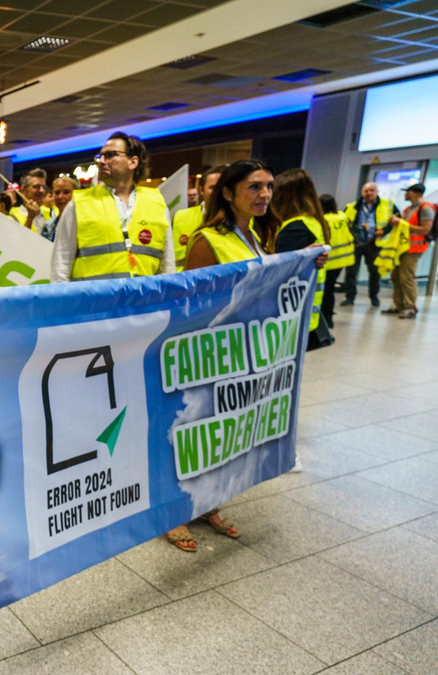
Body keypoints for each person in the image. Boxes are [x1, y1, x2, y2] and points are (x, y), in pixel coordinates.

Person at [167, 159, 281, 551]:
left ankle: (208, 503)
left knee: (223, 434)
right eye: (254, 187)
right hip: (209, 355)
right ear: (229, 193)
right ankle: (175, 513)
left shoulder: (256, 237)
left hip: (244, 354)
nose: (264, 194)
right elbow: (190, 307)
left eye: (268, 186)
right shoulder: (208, 240)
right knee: (193, 432)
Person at [50, 132, 174, 282]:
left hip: (142, 303)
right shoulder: (79, 204)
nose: (101, 161)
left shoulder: (156, 203)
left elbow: (167, 265)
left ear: (133, 162)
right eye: (100, 156)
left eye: (110, 155)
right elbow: (61, 265)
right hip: (95, 304)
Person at [271, 169, 332, 349]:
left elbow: (278, 271)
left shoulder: (294, 228)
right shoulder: (313, 222)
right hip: (306, 310)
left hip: (290, 312)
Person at [342, 182, 404, 307]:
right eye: (366, 191)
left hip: (374, 243)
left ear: (376, 192)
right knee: (351, 271)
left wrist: (384, 230)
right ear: (361, 193)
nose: (369, 193)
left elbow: (398, 220)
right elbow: (344, 222)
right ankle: (350, 297)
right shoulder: (352, 206)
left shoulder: (388, 204)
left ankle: (374, 297)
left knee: (375, 272)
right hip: (356, 243)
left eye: (372, 190)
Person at [389, 183, 436, 319]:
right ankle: (398, 305)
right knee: (396, 276)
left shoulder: (426, 209)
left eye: (407, 192)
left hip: (414, 248)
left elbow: (425, 229)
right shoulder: (409, 209)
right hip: (402, 247)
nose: (405, 194)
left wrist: (402, 223)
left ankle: (410, 307)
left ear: (415, 193)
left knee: (407, 277)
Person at [171, 165, 225, 271]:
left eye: (222, 187)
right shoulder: (181, 217)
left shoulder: (239, 220)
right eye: (213, 188)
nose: (217, 192)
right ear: (201, 190)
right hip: (184, 282)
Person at [319, 194, 355, 329]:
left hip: (329, 260)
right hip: (343, 259)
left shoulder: (323, 220)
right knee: (330, 289)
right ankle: (328, 318)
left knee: (326, 291)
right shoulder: (343, 216)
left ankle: (327, 319)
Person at [10, 167, 54, 233]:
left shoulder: (48, 217)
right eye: (36, 187)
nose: (42, 190)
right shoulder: (12, 219)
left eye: (44, 187)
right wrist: (29, 219)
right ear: (23, 191)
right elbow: (18, 241)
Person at [40, 175, 78, 242]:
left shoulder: (82, 223)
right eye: (57, 192)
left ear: (76, 193)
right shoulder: (47, 226)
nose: (60, 197)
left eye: (66, 192)